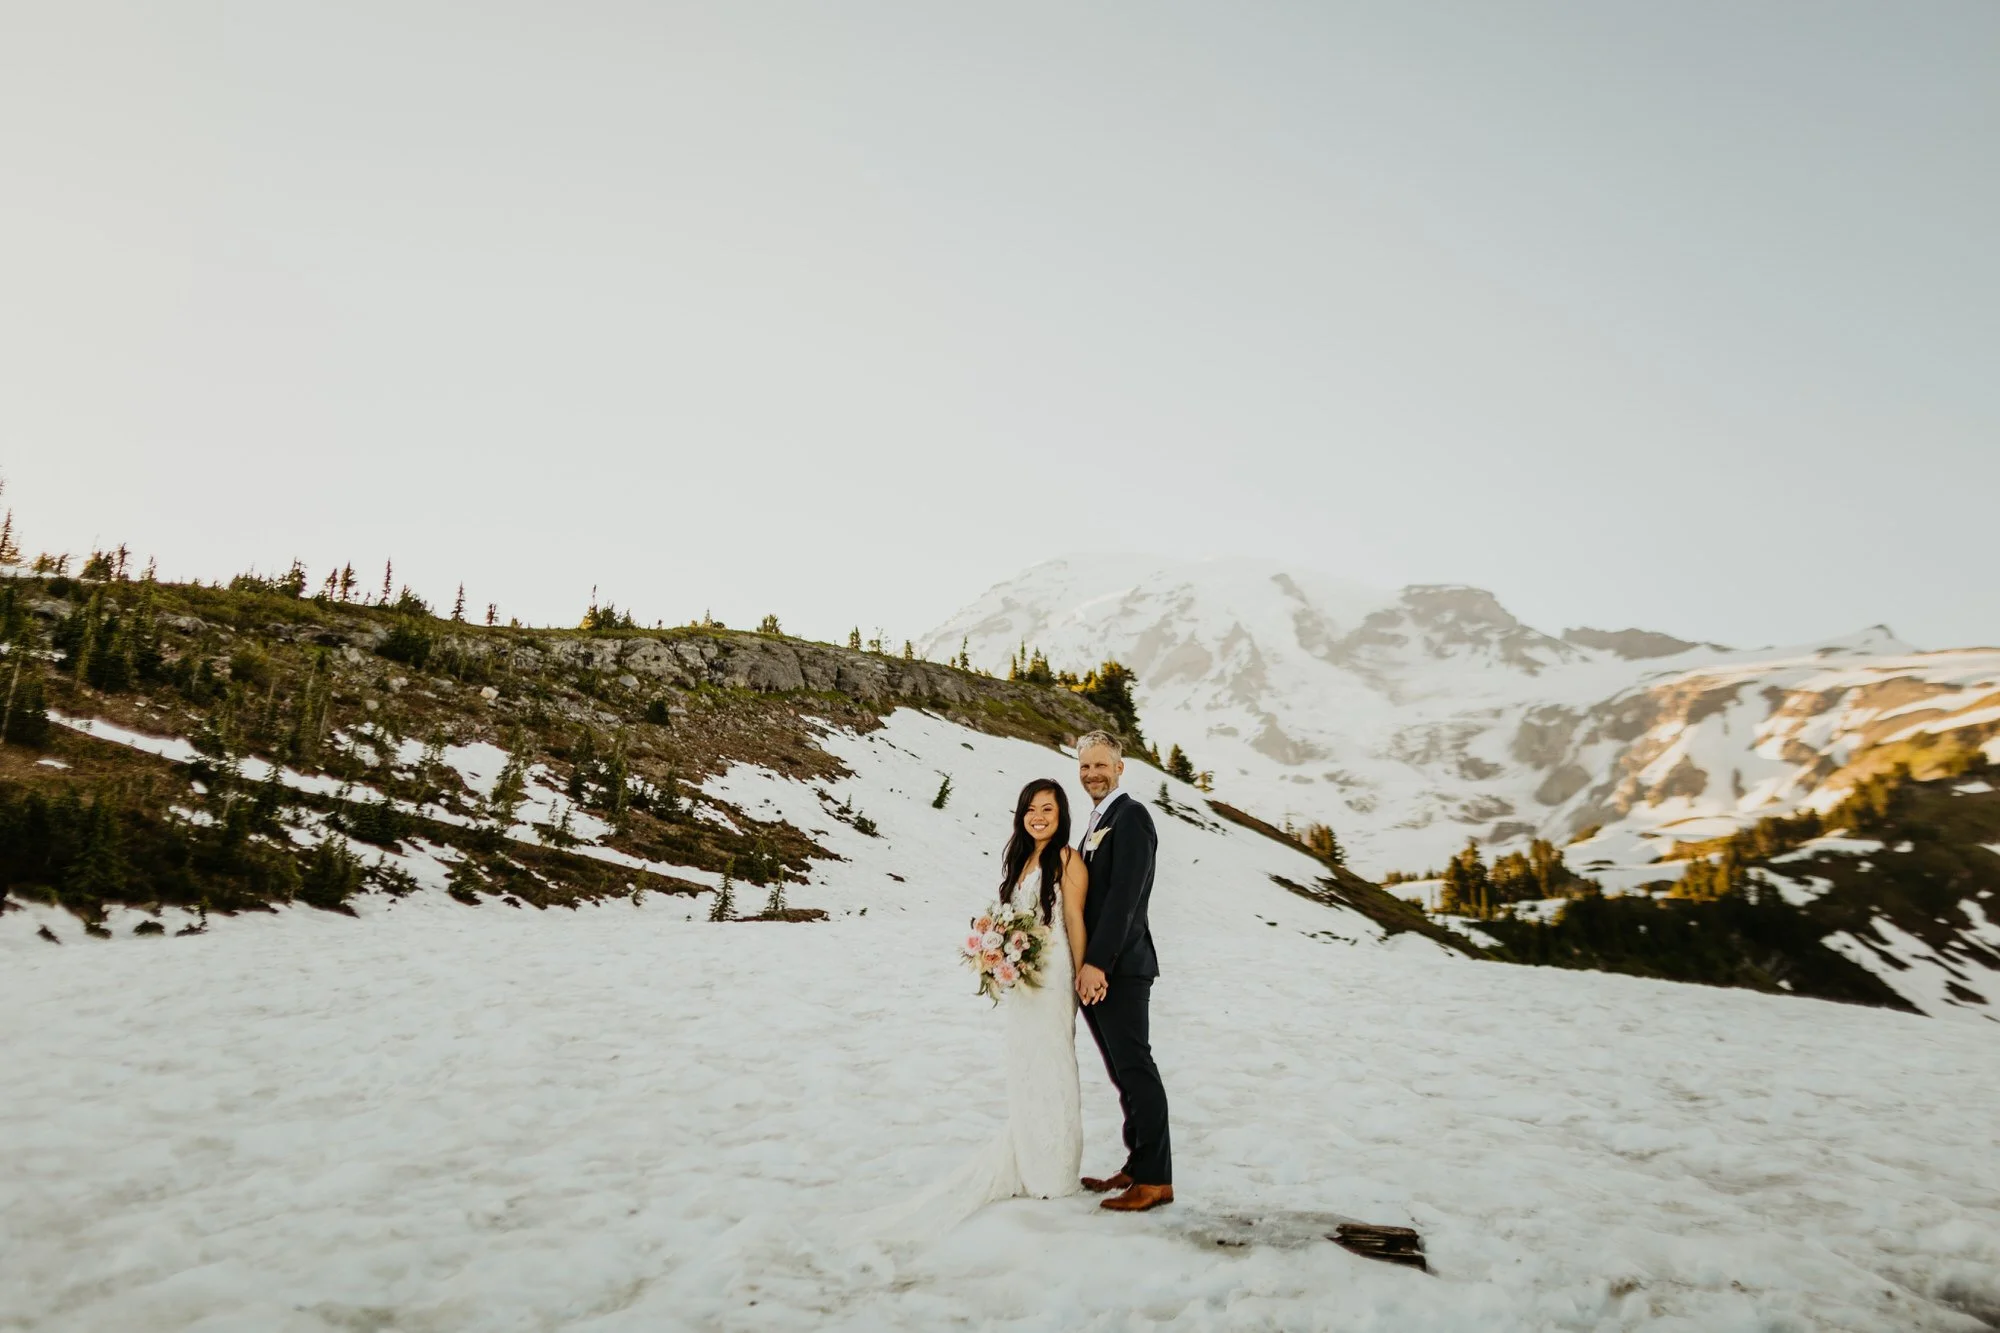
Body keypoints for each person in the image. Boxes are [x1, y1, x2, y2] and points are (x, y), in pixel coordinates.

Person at [1072, 730, 1173, 1212]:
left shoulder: (1131, 817)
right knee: (1121, 1074)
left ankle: (1155, 1181)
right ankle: (1137, 1165)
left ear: (1119, 767)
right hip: (1100, 968)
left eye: (1100, 765)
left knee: (1136, 1070)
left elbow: (1124, 900)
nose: (1092, 773)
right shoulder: (1099, 820)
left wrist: (1097, 963)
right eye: (1085, 766)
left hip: (1121, 968)